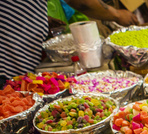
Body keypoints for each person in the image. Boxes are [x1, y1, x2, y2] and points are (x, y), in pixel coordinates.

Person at [0, 0, 138, 87]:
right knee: (15, 91)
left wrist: (41, 18)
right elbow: (82, 2)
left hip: (21, 44)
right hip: (10, 52)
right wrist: (118, 15)